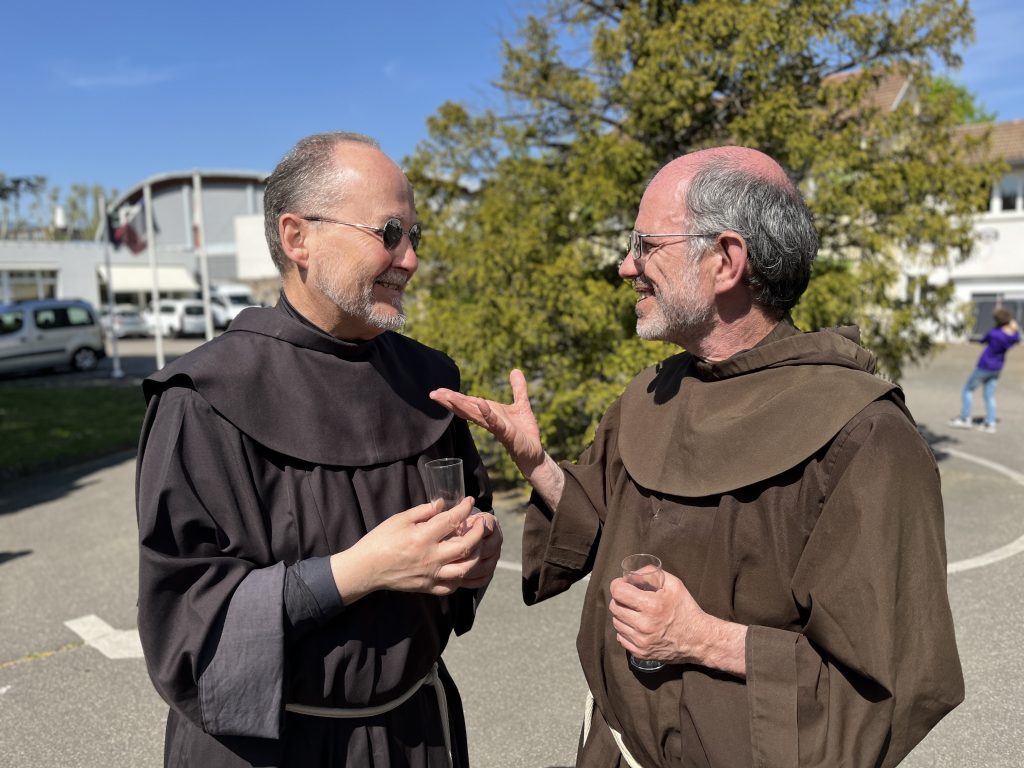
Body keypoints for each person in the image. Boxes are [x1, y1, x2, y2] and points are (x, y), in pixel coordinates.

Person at [431, 146, 963, 767]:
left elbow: (892, 683)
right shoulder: (650, 394)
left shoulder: (865, 434)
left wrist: (703, 640)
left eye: (646, 244)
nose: (625, 266)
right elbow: (604, 524)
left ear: (725, 260)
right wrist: (537, 463)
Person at [136, 132, 502, 768]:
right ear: (297, 237)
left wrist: (476, 553)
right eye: (389, 232)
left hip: (414, 731)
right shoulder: (203, 398)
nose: (410, 258)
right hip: (274, 746)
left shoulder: (429, 379)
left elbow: (465, 521)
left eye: (416, 235)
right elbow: (185, 621)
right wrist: (359, 570)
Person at [949, 307, 1020, 433]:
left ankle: (966, 418)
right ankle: (990, 423)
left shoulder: (994, 333)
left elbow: (982, 340)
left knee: (967, 389)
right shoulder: (1012, 336)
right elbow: (1017, 337)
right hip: (997, 367)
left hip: (985, 365)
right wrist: (1015, 328)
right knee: (989, 395)